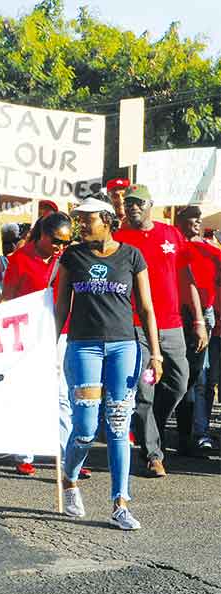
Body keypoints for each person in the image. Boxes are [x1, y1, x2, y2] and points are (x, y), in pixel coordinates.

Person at [54, 197, 162, 531]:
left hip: (124, 347)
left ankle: (121, 503)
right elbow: (61, 307)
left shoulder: (132, 256)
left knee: (118, 423)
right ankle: (69, 479)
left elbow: (146, 308)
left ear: (107, 219)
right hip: (83, 347)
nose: (81, 226)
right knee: (85, 428)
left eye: (87, 220)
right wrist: (48, 347)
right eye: (78, 220)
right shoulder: (73, 256)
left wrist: (156, 353)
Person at [114, 184, 208, 478]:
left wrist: (198, 319)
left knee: (179, 384)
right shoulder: (119, 239)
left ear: (150, 204)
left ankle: (151, 423)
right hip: (135, 327)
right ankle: (153, 454)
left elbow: (186, 275)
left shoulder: (170, 234)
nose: (133, 207)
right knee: (144, 391)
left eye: (139, 202)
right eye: (129, 203)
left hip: (172, 326)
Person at [1, 212, 74, 477]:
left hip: (60, 333)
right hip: (28, 333)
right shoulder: (20, 259)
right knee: (27, 393)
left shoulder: (67, 259)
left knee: (62, 395)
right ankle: (24, 454)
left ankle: (69, 456)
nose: (61, 247)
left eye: (67, 242)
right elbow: (7, 298)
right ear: (43, 235)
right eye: (56, 241)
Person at [174, 206, 221, 455]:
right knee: (186, 377)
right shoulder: (171, 246)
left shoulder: (210, 250)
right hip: (176, 312)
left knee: (205, 378)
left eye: (199, 218)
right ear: (179, 220)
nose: (197, 222)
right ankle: (179, 429)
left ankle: (199, 432)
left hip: (206, 314)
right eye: (192, 218)